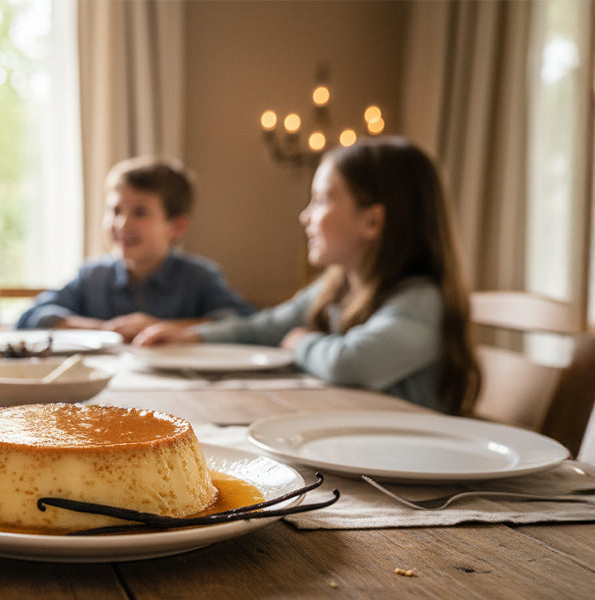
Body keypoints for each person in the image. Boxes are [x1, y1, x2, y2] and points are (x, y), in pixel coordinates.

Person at [137, 137, 482, 414]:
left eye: (320, 200)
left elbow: (351, 363)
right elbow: (264, 327)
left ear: (372, 222)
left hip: (408, 460)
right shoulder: (336, 288)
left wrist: (301, 342)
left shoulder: (421, 300)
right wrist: (194, 338)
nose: (305, 217)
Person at [16, 157, 254, 340]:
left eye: (140, 212)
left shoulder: (199, 277)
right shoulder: (92, 277)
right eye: (116, 211)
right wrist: (104, 330)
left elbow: (244, 322)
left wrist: (160, 328)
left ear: (177, 226)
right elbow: (32, 317)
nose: (123, 224)